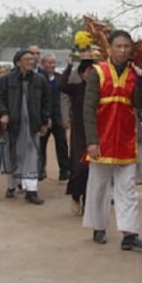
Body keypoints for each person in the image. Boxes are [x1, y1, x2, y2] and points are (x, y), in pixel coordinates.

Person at [82, 30, 142, 250]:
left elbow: (138, 103)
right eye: (118, 46)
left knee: (127, 188)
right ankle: (98, 226)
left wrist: (141, 80)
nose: (122, 50)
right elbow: (88, 109)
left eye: (127, 46)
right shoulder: (98, 72)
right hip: (103, 138)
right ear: (109, 48)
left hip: (127, 139)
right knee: (99, 186)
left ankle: (129, 233)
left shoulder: (134, 74)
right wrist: (92, 140)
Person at [0, 50, 50, 205]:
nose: (31, 62)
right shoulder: (7, 80)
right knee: (13, 155)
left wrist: (44, 121)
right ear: (18, 62)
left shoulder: (40, 80)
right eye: (27, 59)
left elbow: (47, 102)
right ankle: (11, 186)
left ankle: (31, 191)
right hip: (13, 124)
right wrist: (3, 113)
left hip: (32, 125)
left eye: (32, 59)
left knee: (32, 155)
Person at [59, 58, 95, 216]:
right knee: (79, 167)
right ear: (81, 74)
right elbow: (61, 85)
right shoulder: (77, 88)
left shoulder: (101, 90)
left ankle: (88, 202)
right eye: (88, 71)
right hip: (79, 133)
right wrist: (69, 66)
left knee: (92, 169)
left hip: (94, 133)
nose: (90, 75)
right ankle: (75, 196)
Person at [38, 53, 71, 181]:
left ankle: (64, 171)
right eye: (49, 63)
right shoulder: (39, 78)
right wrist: (44, 118)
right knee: (41, 145)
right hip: (44, 119)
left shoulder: (60, 78)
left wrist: (66, 118)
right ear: (43, 64)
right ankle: (40, 169)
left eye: (53, 63)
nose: (52, 65)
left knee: (62, 144)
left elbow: (65, 99)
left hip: (59, 118)